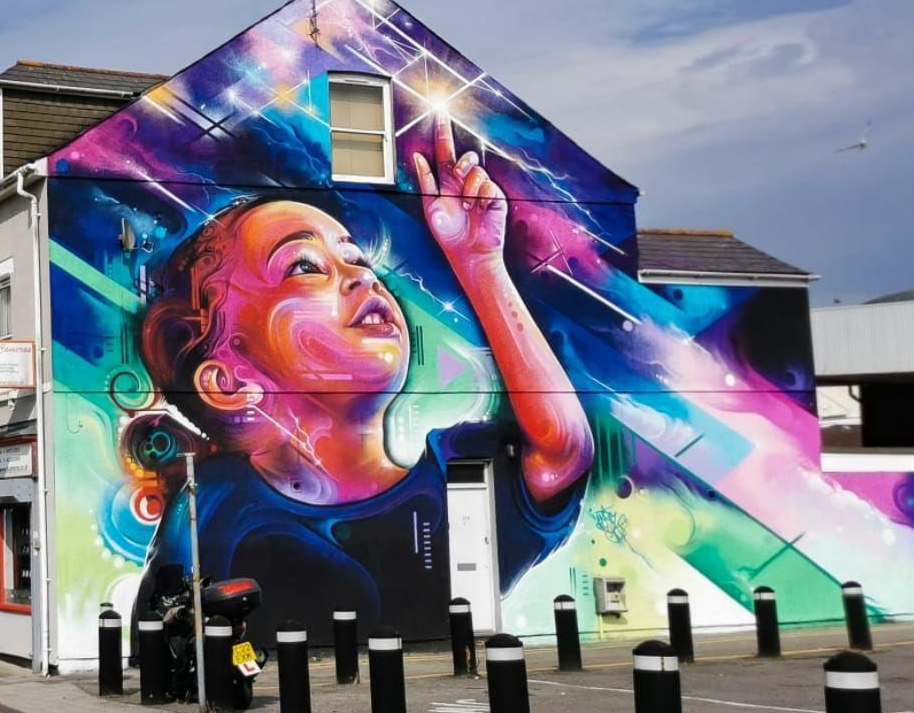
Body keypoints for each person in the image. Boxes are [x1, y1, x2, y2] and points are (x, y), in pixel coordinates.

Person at [134, 114, 593, 639]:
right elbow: (158, 634)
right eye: (305, 266)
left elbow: (563, 448)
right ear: (230, 380)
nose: (360, 275)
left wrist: (479, 260)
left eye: (354, 256)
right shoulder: (213, 507)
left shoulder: (457, 473)